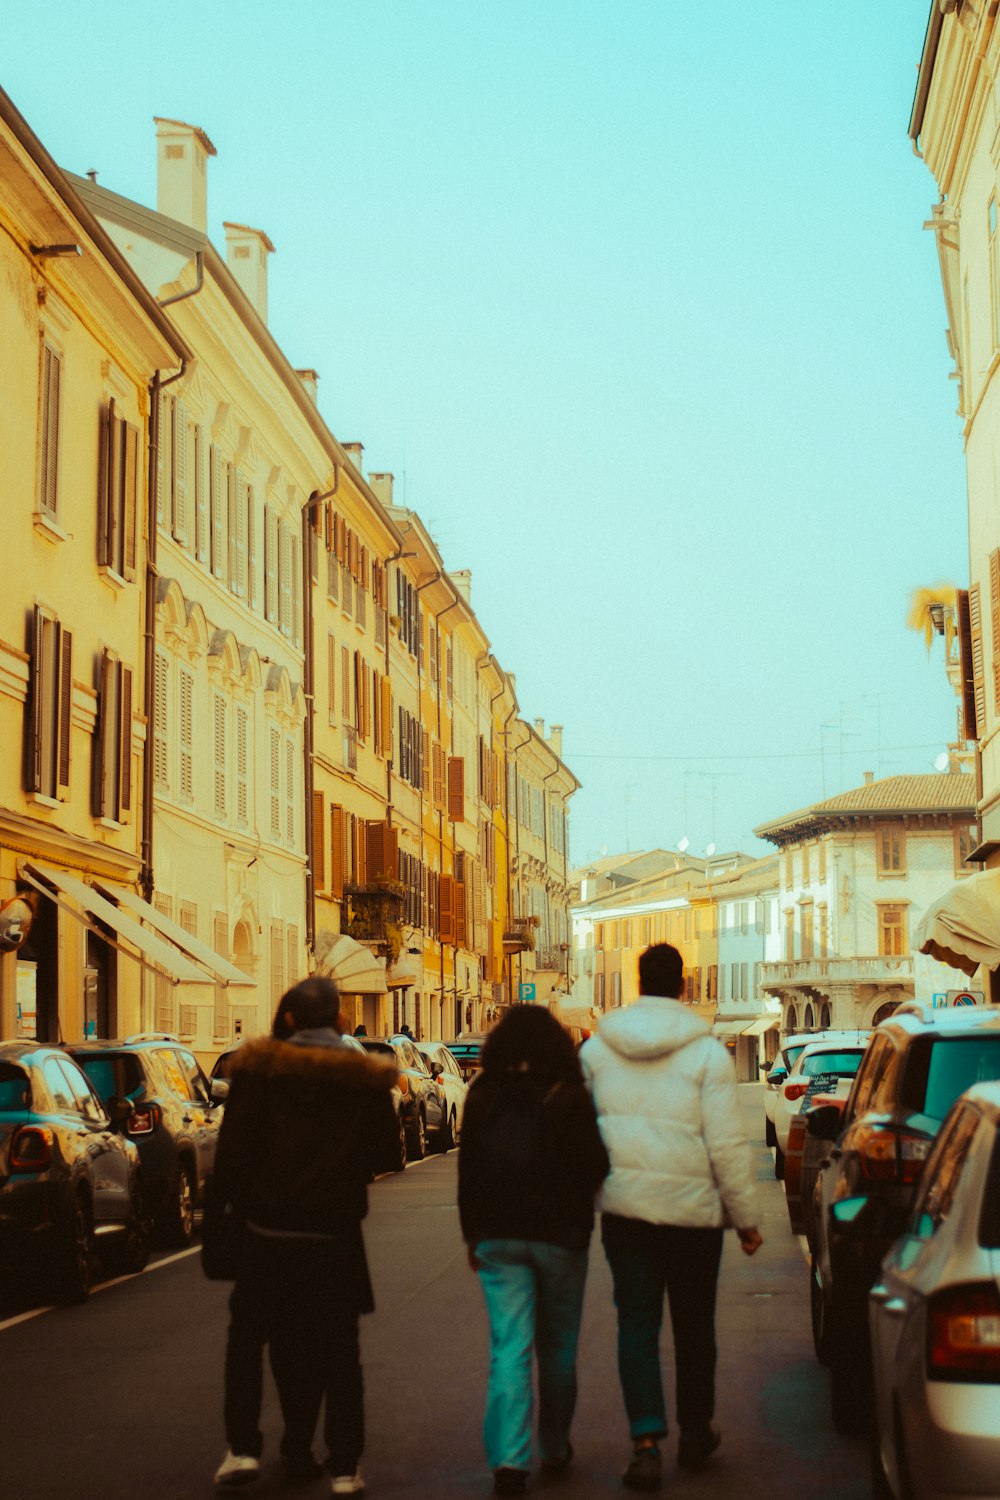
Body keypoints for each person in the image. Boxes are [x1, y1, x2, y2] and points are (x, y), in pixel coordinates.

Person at [580, 944, 762, 1493]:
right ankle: (695, 1429)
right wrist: (747, 1218)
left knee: (636, 1324)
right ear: (684, 985)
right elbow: (727, 1144)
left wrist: (592, 1193)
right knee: (694, 1325)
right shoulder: (707, 1053)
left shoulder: (598, 1051)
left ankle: (644, 1443)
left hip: (625, 1209)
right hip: (694, 1215)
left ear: (637, 982)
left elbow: (580, 1135)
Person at [209, 976, 397, 1494]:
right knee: (338, 1352)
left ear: (288, 1020)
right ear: (339, 1021)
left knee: (249, 1341)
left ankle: (244, 1448)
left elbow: (231, 1160)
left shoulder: (257, 1075)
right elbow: (387, 1155)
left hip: (266, 1232)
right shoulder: (364, 1080)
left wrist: (228, 1214)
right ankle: (343, 1464)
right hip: (334, 1237)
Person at [458, 1005, 610, 1499]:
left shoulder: (482, 1094)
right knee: (559, 1347)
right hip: (562, 1235)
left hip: (498, 1236)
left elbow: (470, 1172)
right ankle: (555, 1445)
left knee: (510, 1345)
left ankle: (509, 1459)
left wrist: (471, 1235)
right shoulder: (570, 1094)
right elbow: (597, 1165)